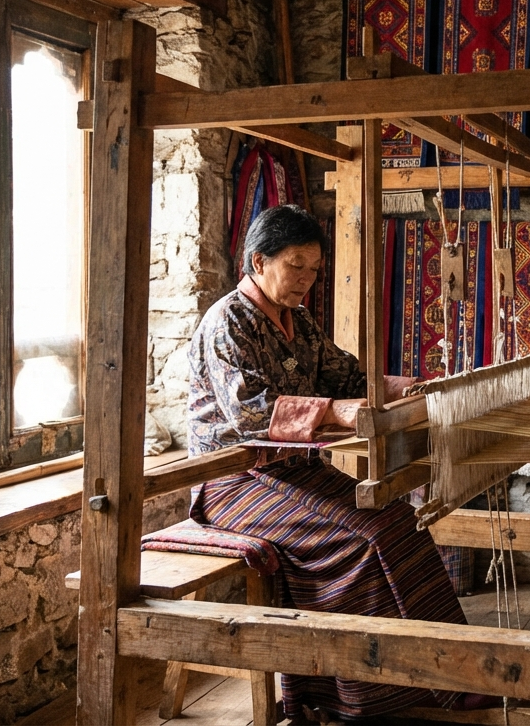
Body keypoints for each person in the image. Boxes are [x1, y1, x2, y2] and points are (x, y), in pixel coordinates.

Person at [187, 204, 480, 722]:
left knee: (398, 522)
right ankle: (357, 696)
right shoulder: (227, 321)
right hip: (235, 481)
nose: (307, 278)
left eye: (314, 268)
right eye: (296, 265)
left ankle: (444, 674)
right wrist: (335, 412)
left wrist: (414, 386)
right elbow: (251, 413)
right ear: (259, 262)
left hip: (290, 473)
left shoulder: (296, 322)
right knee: (363, 539)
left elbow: (347, 378)